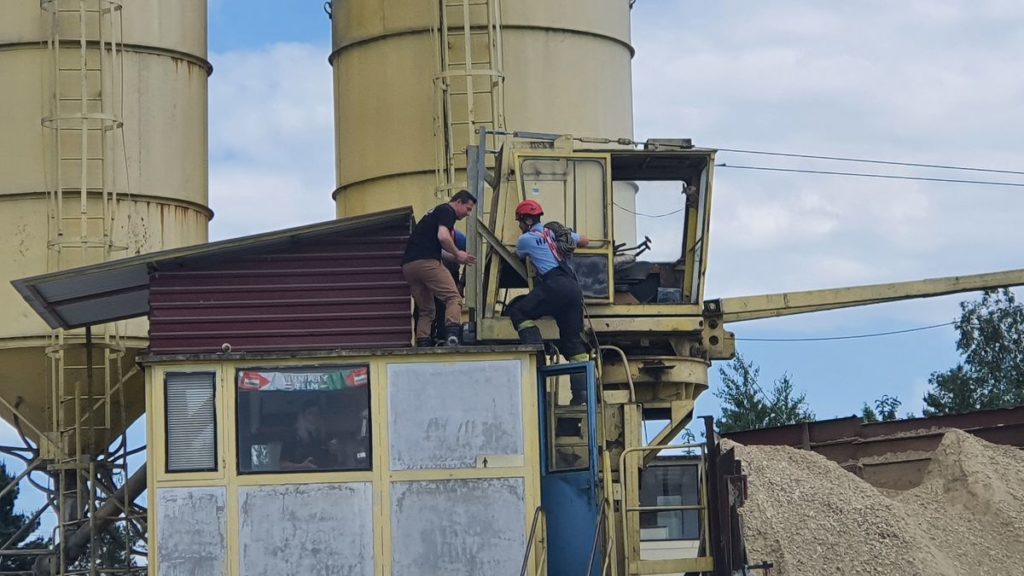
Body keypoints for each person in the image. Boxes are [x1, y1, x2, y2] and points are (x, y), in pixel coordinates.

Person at [507, 199, 592, 369]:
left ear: (528, 220)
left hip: (554, 285)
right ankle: (584, 386)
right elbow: (585, 241)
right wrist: (568, 235)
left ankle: (536, 356)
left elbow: (519, 255)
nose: (519, 226)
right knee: (573, 344)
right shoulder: (554, 233)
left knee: (518, 312)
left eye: (520, 222)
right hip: (573, 288)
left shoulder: (525, 239)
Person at [402, 190, 477, 347]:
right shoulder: (447, 210)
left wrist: (457, 258)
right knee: (454, 298)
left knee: (426, 309)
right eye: (468, 209)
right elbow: (443, 237)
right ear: (458, 202)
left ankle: (423, 342)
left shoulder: (432, 214)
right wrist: (458, 253)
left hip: (409, 266)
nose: (468, 214)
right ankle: (452, 337)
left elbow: (439, 250)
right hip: (427, 263)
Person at [279, 401, 333, 470]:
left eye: (317, 413)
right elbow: (282, 465)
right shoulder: (292, 436)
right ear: (303, 416)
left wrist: (336, 452)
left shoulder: (323, 436)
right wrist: (301, 466)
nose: (315, 416)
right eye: (310, 413)